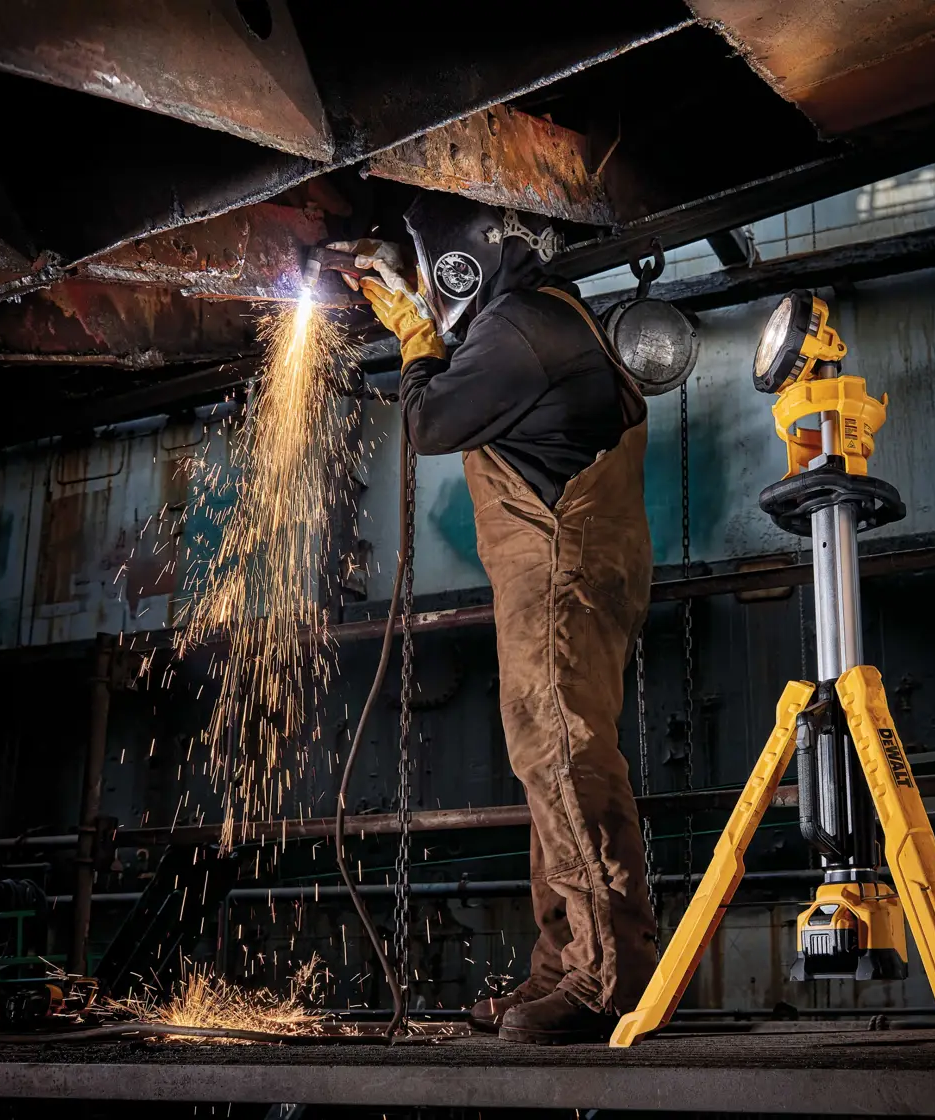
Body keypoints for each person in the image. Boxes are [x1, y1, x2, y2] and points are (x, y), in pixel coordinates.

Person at [328, 195, 658, 1045]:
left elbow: (431, 420)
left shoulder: (515, 330)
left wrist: (411, 334)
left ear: (459, 266)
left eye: (432, 282)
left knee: (561, 756)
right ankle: (565, 964)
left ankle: (606, 983)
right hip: (578, 569)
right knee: (555, 762)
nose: (435, 303)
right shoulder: (549, 314)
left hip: (559, 570)